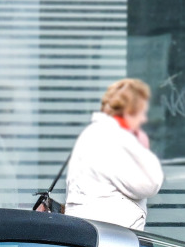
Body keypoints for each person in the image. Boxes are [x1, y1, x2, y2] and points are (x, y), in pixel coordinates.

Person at [63, 78, 164, 230]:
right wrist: (143, 148)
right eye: (141, 112)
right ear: (129, 111)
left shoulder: (94, 133)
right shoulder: (115, 139)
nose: (144, 119)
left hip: (95, 232)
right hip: (112, 239)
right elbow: (150, 184)